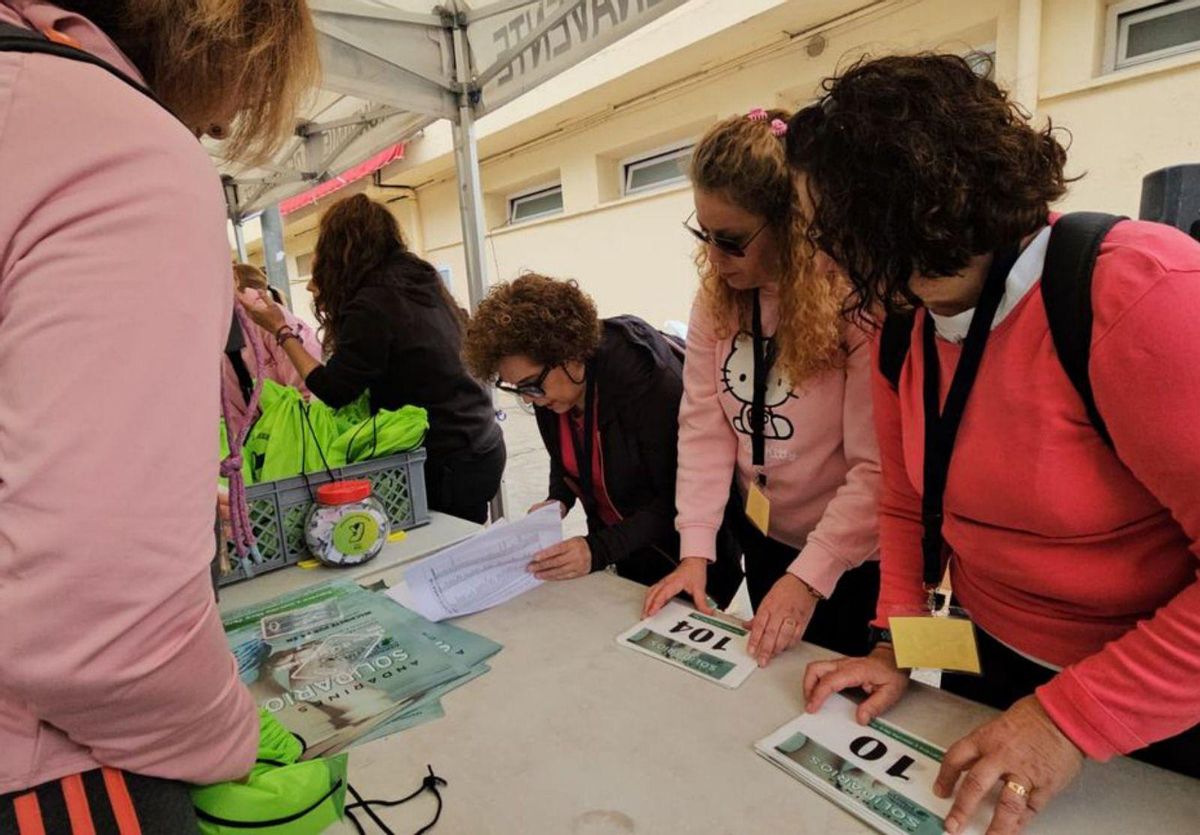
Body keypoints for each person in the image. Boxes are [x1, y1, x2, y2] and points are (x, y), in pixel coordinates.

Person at [789, 53, 1200, 834]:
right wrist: (896, 646)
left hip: (1159, 702)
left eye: (826, 231)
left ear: (894, 221)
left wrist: (1072, 719)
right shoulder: (899, 325)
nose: (817, 256)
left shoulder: (1144, 296)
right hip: (1001, 671)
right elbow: (908, 498)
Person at [0, 1, 317, 832]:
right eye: (250, 91)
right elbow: (94, 610)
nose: (230, 121)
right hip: (43, 768)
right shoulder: (121, 146)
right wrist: (226, 734)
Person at [642, 109, 882, 668]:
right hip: (765, 529)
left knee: (829, 678)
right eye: (703, 235)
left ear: (792, 224)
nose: (712, 258)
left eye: (729, 240)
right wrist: (695, 550)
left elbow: (878, 469)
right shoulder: (717, 297)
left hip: (851, 551)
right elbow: (703, 426)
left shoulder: (853, 300)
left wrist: (810, 576)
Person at [462, 273, 743, 602]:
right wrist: (559, 498)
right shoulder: (552, 390)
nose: (527, 398)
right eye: (516, 388)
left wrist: (596, 550)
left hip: (688, 561)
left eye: (530, 385)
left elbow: (678, 499)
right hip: (627, 556)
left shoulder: (652, 386)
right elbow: (566, 453)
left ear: (569, 353)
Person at [239, 193, 505, 524]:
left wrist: (282, 331)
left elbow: (334, 390)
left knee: (441, 555)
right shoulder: (418, 280)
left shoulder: (373, 303)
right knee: (462, 548)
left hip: (445, 459)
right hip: (481, 444)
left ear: (340, 253)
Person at [223, 263, 322, 426]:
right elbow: (232, 415)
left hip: (303, 429)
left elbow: (309, 391)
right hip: (267, 438)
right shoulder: (219, 333)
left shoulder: (263, 317)